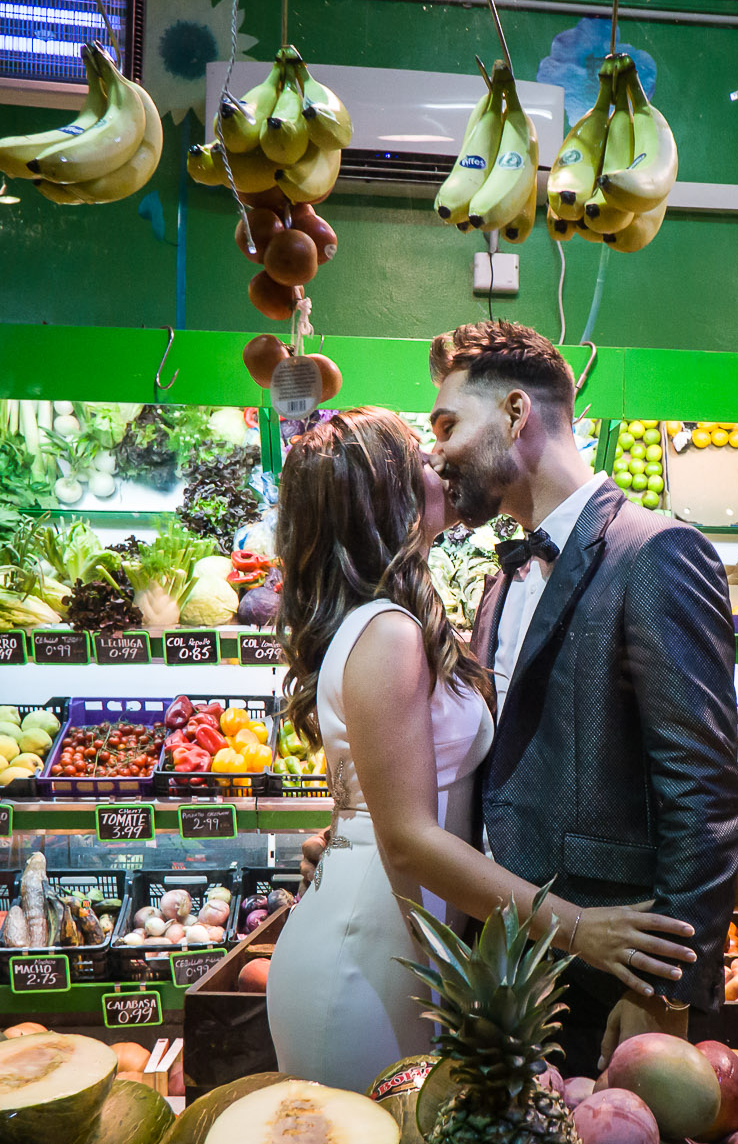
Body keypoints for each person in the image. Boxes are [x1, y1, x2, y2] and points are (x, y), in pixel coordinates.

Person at [265, 407, 698, 1093]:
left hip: (408, 934)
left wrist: (355, 829)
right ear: (386, 496)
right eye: (419, 454)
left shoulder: (406, 616)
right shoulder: (389, 632)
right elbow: (407, 839)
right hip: (368, 954)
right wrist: (578, 928)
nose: (440, 460)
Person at [428, 321, 738, 1074]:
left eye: (447, 424)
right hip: (512, 970)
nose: (436, 449)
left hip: (615, 977)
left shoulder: (658, 552)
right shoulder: (502, 580)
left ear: (514, 415)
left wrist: (666, 990)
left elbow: (704, 790)